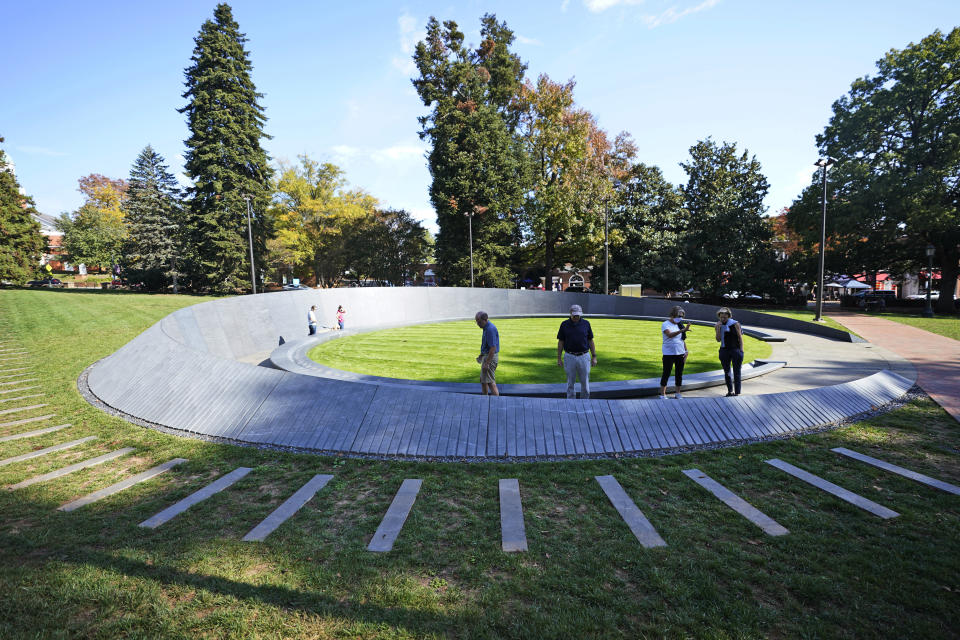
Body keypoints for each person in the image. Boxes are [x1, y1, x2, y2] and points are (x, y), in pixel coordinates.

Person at [557, 304, 597, 399]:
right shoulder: (564, 324)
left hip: (584, 356)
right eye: (574, 315)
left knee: (585, 384)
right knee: (570, 383)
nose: (576, 317)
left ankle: (585, 403)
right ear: (570, 314)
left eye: (578, 315)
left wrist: (594, 356)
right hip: (569, 356)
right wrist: (559, 358)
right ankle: (571, 404)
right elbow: (561, 342)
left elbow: (590, 340)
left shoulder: (586, 324)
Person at [659, 305, 690, 399]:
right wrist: (682, 330)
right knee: (666, 373)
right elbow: (669, 335)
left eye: (681, 316)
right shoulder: (665, 324)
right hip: (669, 353)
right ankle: (662, 394)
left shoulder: (680, 325)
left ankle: (677, 393)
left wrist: (686, 350)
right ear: (673, 315)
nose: (679, 318)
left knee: (679, 373)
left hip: (680, 353)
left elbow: (682, 339)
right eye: (678, 316)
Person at [715, 306, 744, 396]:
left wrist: (741, 351)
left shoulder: (735, 324)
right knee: (727, 372)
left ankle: (737, 392)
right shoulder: (718, 325)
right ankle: (730, 391)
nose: (723, 318)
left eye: (725, 317)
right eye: (721, 317)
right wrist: (718, 329)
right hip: (724, 350)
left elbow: (740, 337)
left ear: (729, 316)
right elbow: (718, 339)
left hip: (735, 350)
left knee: (737, 371)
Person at [475, 311, 500, 396]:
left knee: (490, 383)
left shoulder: (490, 329)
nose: (477, 323)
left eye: (479, 321)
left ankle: (497, 403)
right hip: (487, 356)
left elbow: (493, 348)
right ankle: (484, 400)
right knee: (484, 381)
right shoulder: (486, 327)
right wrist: (482, 355)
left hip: (490, 358)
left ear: (485, 320)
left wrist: (487, 363)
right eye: (476, 321)